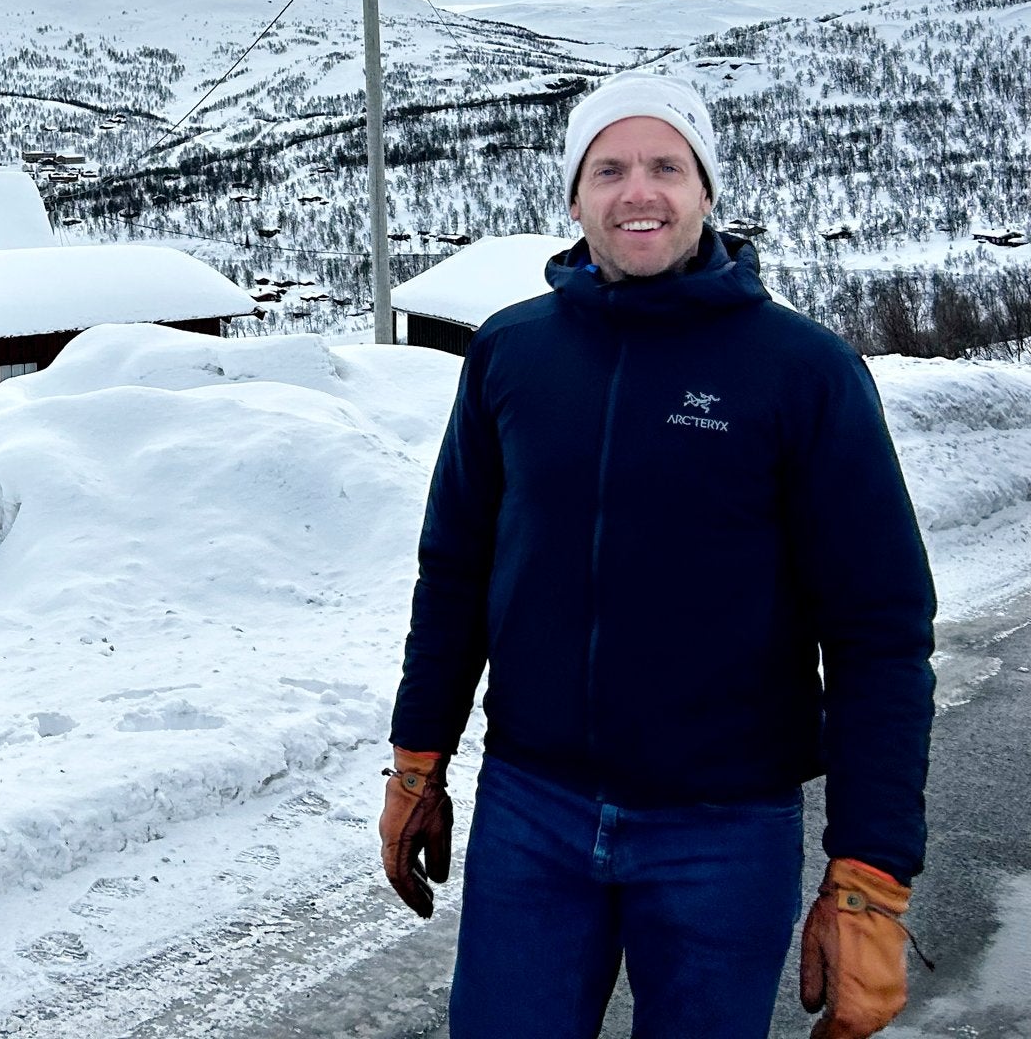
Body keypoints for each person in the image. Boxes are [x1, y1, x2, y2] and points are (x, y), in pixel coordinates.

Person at [382, 72, 936, 1038]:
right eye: (610, 168)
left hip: (724, 829)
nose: (639, 190)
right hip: (533, 812)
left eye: (666, 166)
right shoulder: (512, 354)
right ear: (575, 197)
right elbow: (456, 569)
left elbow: (879, 634)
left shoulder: (804, 373)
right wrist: (418, 756)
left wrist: (870, 873)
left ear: (707, 190)